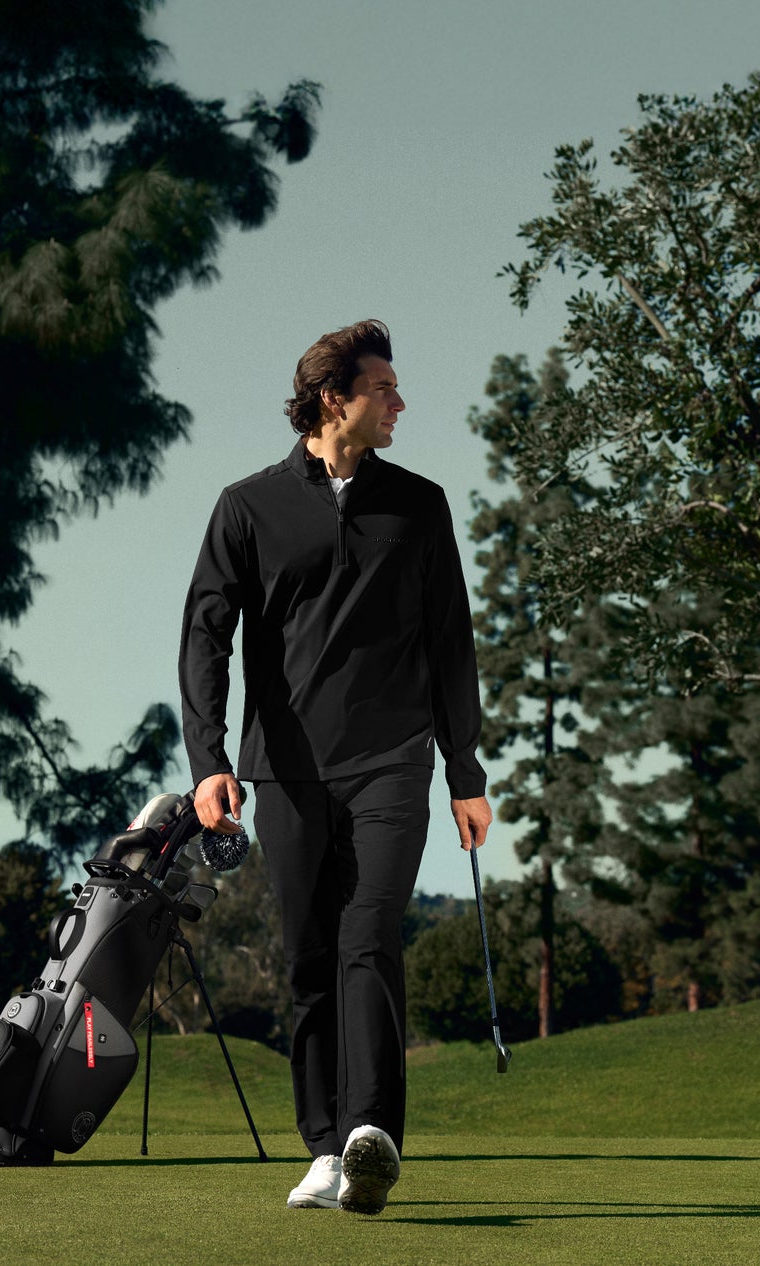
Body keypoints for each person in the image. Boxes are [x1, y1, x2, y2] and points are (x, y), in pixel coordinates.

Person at [179, 319, 492, 1215]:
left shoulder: (420, 506)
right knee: (308, 958)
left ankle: (370, 1137)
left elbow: (451, 644)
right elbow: (206, 638)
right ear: (333, 398)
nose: (400, 402)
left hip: (394, 763)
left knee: (369, 935)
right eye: (384, 387)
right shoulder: (247, 507)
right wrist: (209, 761)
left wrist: (463, 771)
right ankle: (322, 1146)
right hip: (283, 771)